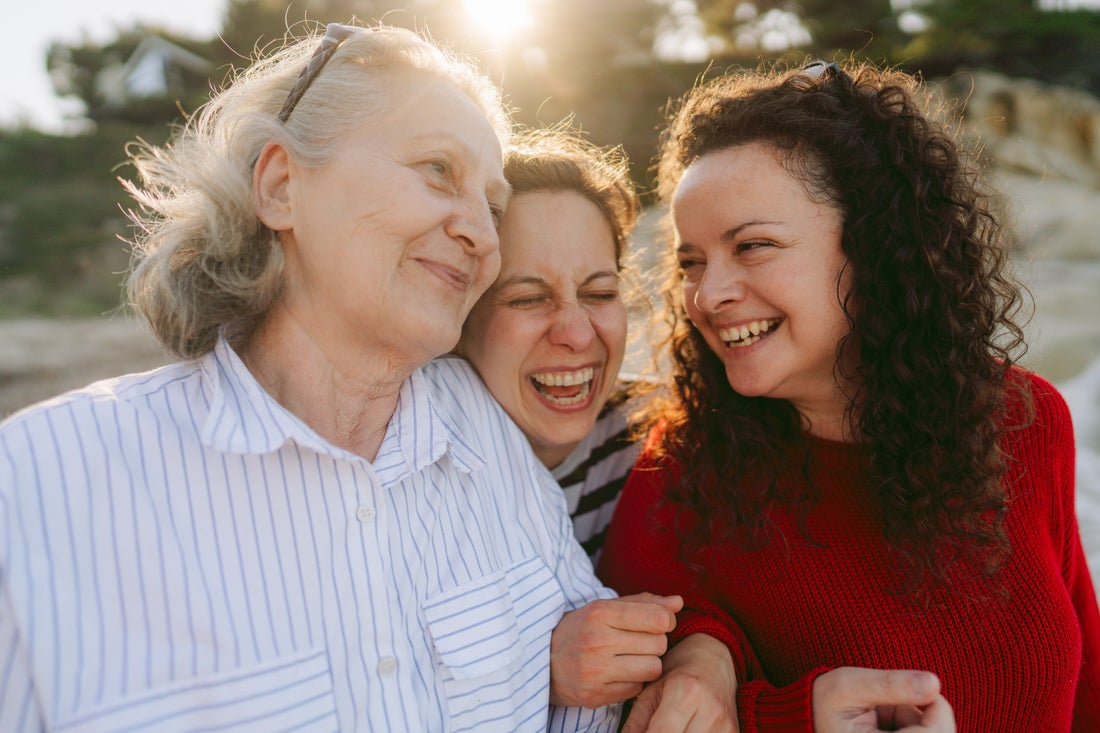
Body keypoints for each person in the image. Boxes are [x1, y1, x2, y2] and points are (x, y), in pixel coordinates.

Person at [0, 22, 620, 732]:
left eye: (493, 205)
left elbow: (596, 689)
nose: (483, 232)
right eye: (438, 171)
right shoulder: (40, 482)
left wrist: (701, 653)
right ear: (280, 185)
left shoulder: (485, 434)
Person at [597, 59, 1100, 731]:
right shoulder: (681, 475)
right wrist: (766, 706)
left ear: (873, 245)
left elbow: (1088, 683)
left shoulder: (1027, 419)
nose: (705, 295)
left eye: (751, 246)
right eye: (691, 261)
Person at [455, 129, 739, 730]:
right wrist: (530, 663)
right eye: (528, 299)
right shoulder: (393, 463)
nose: (578, 334)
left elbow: (732, 609)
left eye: (600, 293)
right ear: (458, 315)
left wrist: (707, 654)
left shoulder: (664, 447)